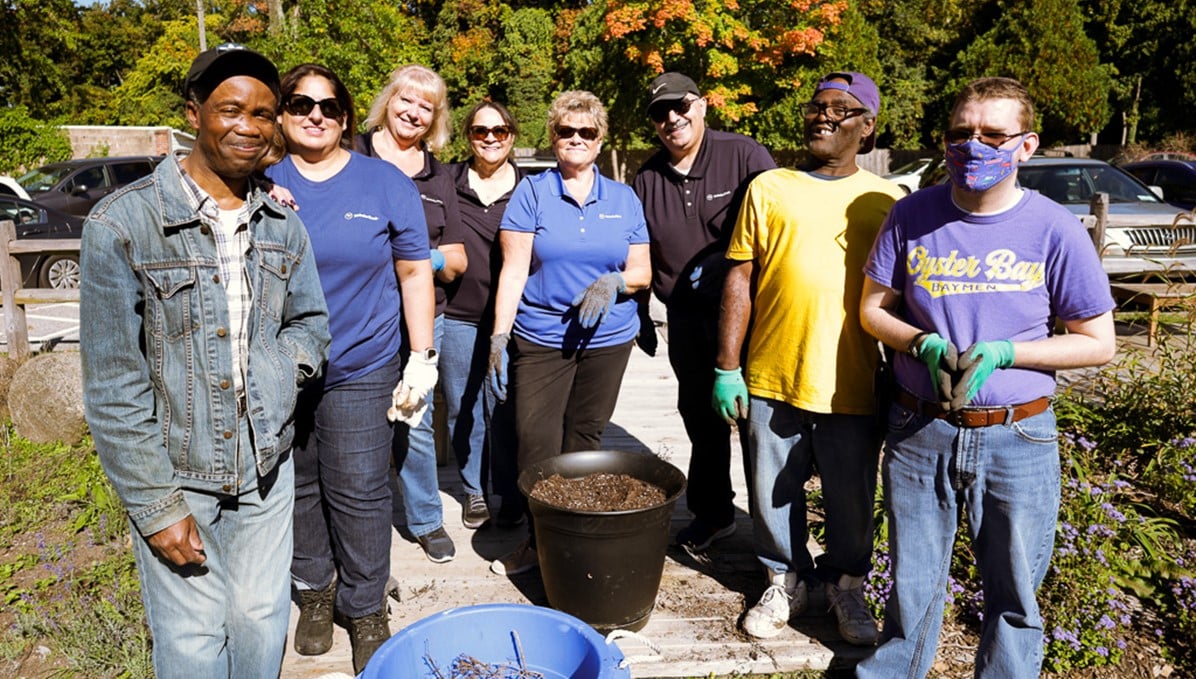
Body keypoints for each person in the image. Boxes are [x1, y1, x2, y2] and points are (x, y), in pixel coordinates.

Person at [79, 44, 330, 678]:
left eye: (265, 113)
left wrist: (277, 371)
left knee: (261, 622)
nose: (249, 126)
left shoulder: (281, 224)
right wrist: (156, 504)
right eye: (230, 109)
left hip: (266, 469)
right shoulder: (124, 223)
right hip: (179, 470)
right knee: (191, 641)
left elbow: (310, 326)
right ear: (193, 114)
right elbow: (113, 383)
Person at [855, 77, 1116, 677]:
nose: (974, 146)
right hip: (921, 428)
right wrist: (920, 341)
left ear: (1026, 146)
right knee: (912, 585)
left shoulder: (1056, 230)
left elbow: (1096, 343)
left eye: (993, 135)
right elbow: (872, 310)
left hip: (1017, 436)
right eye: (960, 133)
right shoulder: (910, 215)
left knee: (1016, 594)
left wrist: (1006, 353)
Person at [716, 72, 904, 644]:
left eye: (840, 109)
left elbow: (907, 294)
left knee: (851, 498)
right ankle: (784, 579)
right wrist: (727, 367)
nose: (822, 116)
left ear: (867, 127)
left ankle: (846, 586)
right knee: (772, 491)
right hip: (773, 373)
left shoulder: (888, 200)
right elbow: (740, 280)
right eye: (816, 106)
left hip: (854, 379)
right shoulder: (769, 188)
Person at [266, 63, 436, 673]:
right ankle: (316, 593)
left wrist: (421, 356)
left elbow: (415, 271)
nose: (315, 114)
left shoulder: (384, 183)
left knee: (361, 490)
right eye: (300, 103)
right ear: (281, 113)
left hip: (362, 361)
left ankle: (366, 607)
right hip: (279, 367)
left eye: (329, 106)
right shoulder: (257, 180)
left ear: (345, 115)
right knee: (298, 485)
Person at [487, 90, 652, 576]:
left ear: (601, 141)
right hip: (542, 337)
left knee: (584, 438)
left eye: (587, 132)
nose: (576, 139)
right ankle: (540, 542)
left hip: (608, 339)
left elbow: (641, 269)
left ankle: (571, 536)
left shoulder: (623, 198)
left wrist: (616, 280)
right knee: (534, 440)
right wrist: (500, 336)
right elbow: (513, 272)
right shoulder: (532, 193)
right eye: (566, 131)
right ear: (553, 137)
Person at [631, 72, 775, 553]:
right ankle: (714, 513)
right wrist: (639, 311)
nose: (672, 118)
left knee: (761, 424)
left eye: (680, 106)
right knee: (700, 418)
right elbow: (641, 252)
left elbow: (777, 228)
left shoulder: (745, 156)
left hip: (752, 315)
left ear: (703, 105)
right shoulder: (646, 178)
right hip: (688, 320)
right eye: (658, 112)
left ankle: (775, 530)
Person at [357, 64, 466, 561]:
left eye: (427, 106)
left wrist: (426, 260)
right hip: (356, 314)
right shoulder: (348, 153)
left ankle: (424, 518)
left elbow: (460, 256)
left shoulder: (437, 175)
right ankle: (361, 520)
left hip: (424, 316)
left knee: (414, 418)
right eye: (407, 100)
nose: (414, 112)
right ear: (388, 101)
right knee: (354, 418)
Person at [444, 100, 525, 529]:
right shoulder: (447, 181)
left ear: (512, 135)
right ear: (468, 136)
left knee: (507, 406)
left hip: (512, 320)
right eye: (480, 131)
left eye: (499, 131)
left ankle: (511, 491)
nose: (490, 138)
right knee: (464, 407)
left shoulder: (530, 188)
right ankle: (474, 491)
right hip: (458, 314)